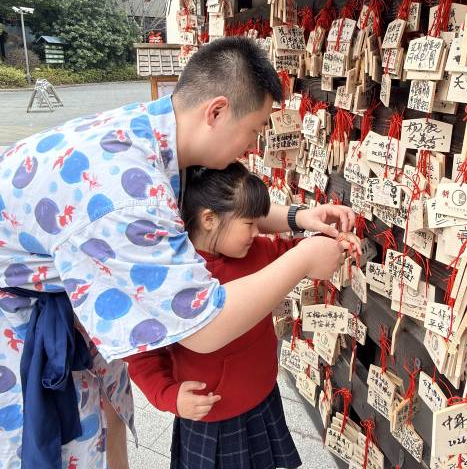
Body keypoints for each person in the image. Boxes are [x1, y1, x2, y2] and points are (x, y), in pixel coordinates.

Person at [0, 37, 354, 469]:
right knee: (70, 448)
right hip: (23, 326)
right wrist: (303, 260)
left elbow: (223, 211)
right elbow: (201, 326)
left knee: (109, 423)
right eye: (255, 129)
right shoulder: (128, 199)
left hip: (59, 298)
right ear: (217, 112)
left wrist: (298, 217)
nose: (253, 145)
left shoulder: (153, 132)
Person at [128, 163, 359, 468]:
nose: (257, 231)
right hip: (212, 417)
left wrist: (332, 244)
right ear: (209, 219)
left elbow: (290, 253)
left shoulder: (255, 250)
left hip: (263, 394)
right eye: (249, 223)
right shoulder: (178, 279)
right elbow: (143, 351)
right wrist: (169, 396)